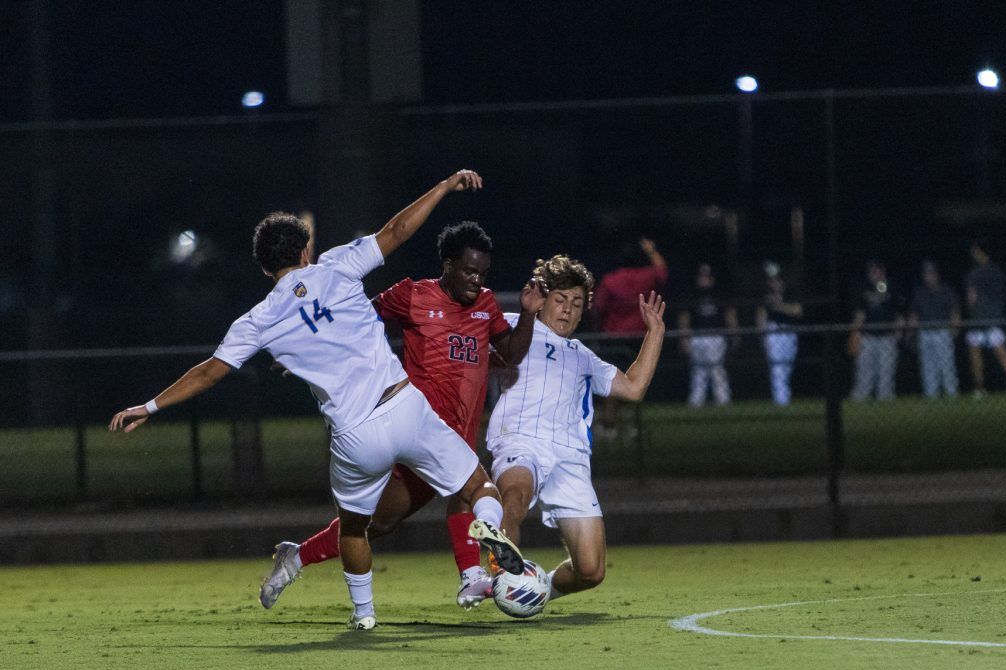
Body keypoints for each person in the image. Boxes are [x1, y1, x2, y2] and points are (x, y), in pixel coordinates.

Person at [109, 170, 526, 631]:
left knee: (354, 527)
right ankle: (487, 529)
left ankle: (365, 615)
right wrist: (445, 187)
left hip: (355, 435)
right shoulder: (335, 265)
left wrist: (148, 407)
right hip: (405, 406)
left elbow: (208, 373)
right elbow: (396, 231)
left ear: (265, 267)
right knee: (478, 487)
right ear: (306, 251)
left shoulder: (259, 320)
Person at [259, 221, 546, 613]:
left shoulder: (486, 305)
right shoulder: (412, 294)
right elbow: (348, 317)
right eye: (468, 270)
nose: (476, 280)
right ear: (447, 264)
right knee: (381, 522)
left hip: (452, 434)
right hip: (409, 427)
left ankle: (470, 575)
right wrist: (308, 351)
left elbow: (511, 353)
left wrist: (528, 315)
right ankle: (470, 576)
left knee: (434, 504)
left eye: (482, 273)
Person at [488, 255, 665, 601]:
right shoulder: (512, 326)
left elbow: (633, 387)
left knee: (590, 570)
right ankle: (502, 568)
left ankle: (533, 592)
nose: (568, 310)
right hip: (519, 440)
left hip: (571, 456)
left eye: (577, 303)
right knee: (516, 494)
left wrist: (655, 332)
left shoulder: (584, 356)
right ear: (542, 299)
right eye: (560, 300)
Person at [590, 237, 667, 435]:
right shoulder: (646, 276)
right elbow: (662, 271)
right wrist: (651, 251)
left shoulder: (610, 280)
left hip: (614, 336)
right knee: (638, 381)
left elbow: (598, 307)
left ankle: (610, 423)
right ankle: (634, 425)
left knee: (612, 383)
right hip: (639, 337)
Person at [965, 239, 1006, 398]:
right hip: (995, 316)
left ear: (980, 252)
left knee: (976, 354)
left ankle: (979, 388)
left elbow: (972, 298)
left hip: (978, 318)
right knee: (1001, 351)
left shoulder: (974, 273)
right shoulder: (998, 271)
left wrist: (973, 308)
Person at [678, 263, 738, 407]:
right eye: (702, 276)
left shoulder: (719, 293)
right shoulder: (693, 294)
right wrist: (684, 338)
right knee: (699, 371)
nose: (704, 279)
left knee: (717, 369)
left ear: (712, 278)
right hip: (698, 336)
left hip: (716, 335)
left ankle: (723, 401)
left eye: (707, 276)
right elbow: (684, 317)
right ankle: (696, 402)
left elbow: (730, 314)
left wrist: (734, 333)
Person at [848, 260, 903, 401]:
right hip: (868, 336)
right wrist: (854, 334)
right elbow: (860, 314)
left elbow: (898, 312)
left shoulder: (891, 288)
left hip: (887, 336)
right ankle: (861, 397)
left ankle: (885, 397)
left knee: (886, 371)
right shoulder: (864, 290)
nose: (875, 274)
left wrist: (899, 330)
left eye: (878, 271)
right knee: (864, 371)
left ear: (883, 272)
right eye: (872, 271)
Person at [908, 259, 961, 399]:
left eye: (931, 273)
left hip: (942, 332)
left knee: (946, 364)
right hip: (925, 333)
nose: (928, 276)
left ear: (937, 274)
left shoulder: (946, 290)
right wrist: (911, 330)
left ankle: (951, 393)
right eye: (926, 273)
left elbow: (954, 310)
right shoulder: (920, 292)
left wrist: (954, 326)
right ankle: (931, 395)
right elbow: (915, 313)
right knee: (928, 366)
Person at [755, 261, 803, 405]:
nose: (774, 282)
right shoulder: (765, 296)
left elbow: (798, 311)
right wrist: (762, 335)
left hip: (789, 331)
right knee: (777, 368)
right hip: (773, 331)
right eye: (771, 280)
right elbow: (761, 315)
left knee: (787, 367)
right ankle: (781, 401)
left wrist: (778, 306)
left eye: (776, 279)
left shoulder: (790, 292)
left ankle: (783, 398)